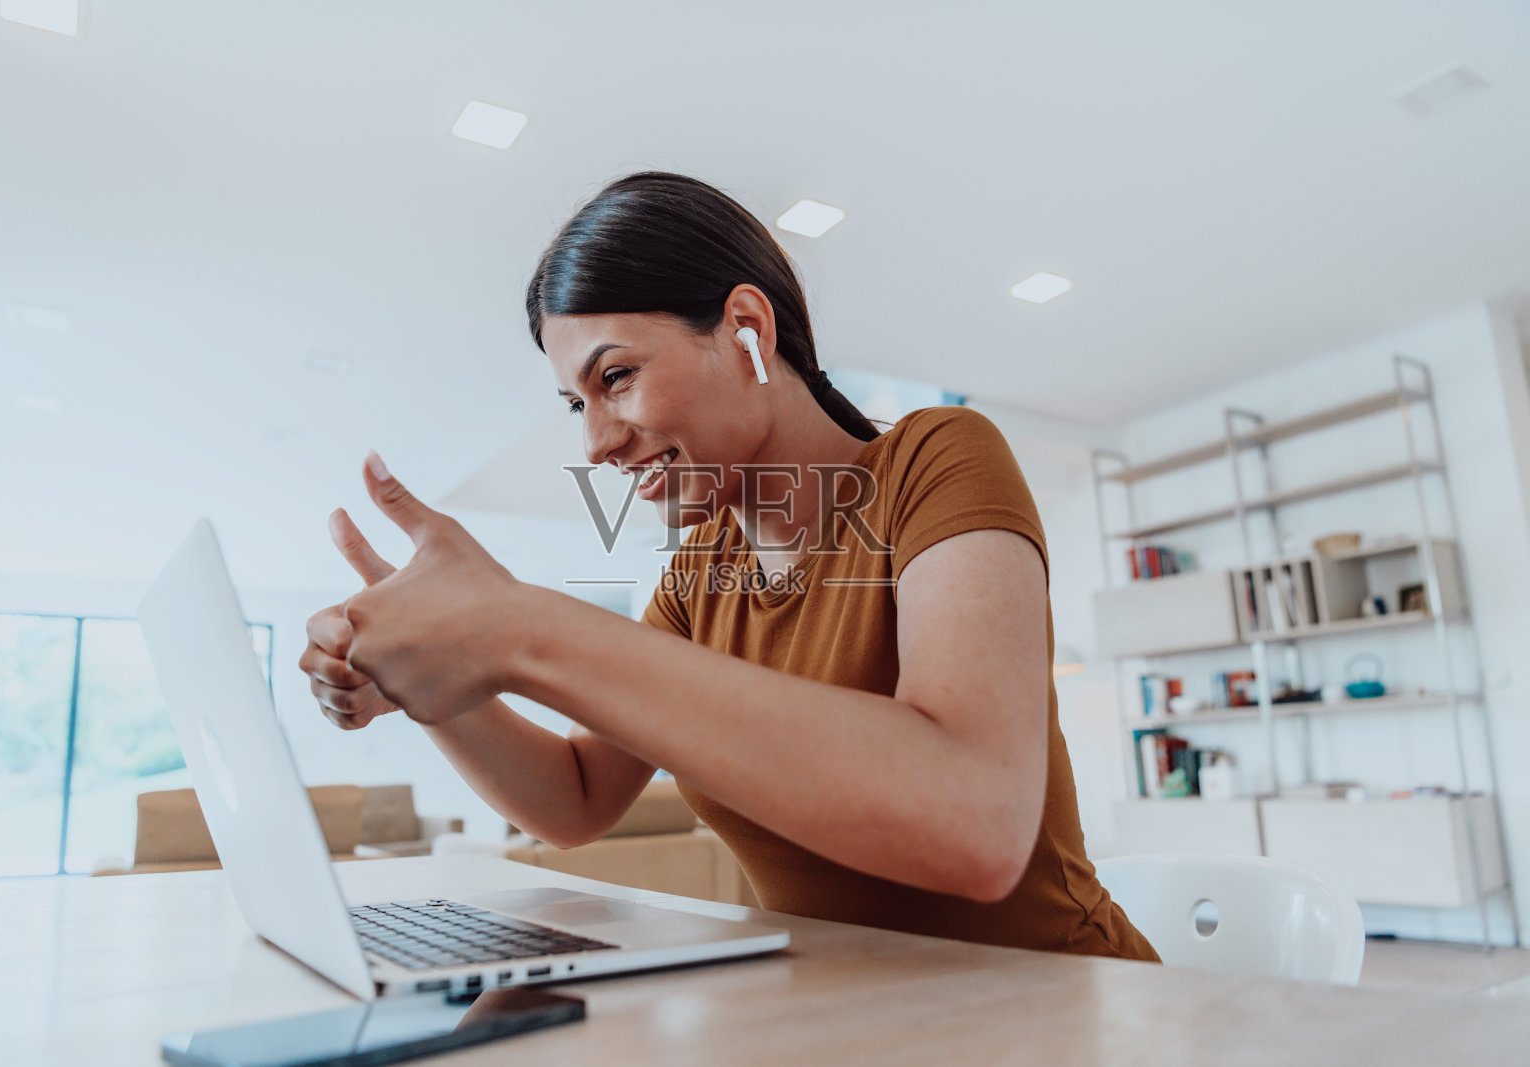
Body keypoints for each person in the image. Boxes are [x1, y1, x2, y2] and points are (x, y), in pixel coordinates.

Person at [299, 171, 1159, 962]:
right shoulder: (696, 578)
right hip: (858, 1025)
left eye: (619, 377)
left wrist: (518, 623)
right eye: (577, 403)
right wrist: (423, 675)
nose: (596, 442)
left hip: (1064, 1007)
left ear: (747, 330)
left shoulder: (938, 461)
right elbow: (576, 797)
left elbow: (977, 820)